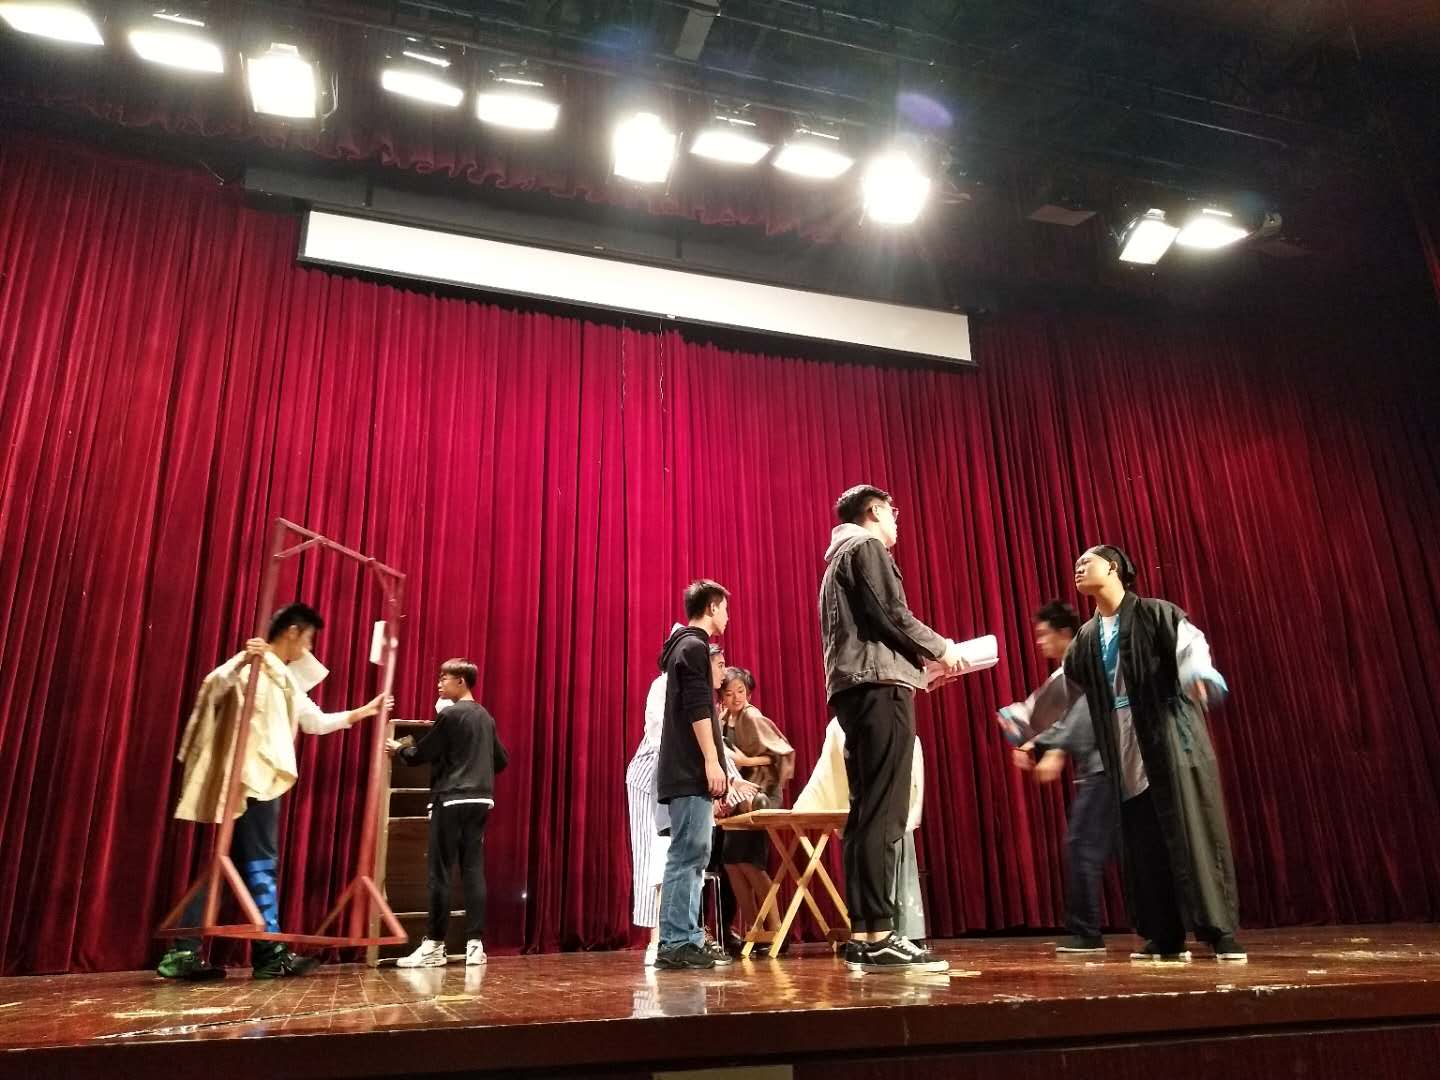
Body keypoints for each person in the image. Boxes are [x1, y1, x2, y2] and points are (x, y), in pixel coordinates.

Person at [158, 602, 389, 981]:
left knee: (231, 868)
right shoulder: (252, 665)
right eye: (308, 638)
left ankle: (184, 950)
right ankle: (270, 954)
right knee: (260, 865)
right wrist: (241, 662)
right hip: (252, 780)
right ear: (293, 632)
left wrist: (362, 712)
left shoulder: (283, 677)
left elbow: (313, 721)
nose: (308, 647)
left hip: (262, 781)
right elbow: (214, 688)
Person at [1066, 545, 1244, 963]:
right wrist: (1029, 723)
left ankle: (1219, 931)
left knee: (1193, 831)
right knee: (1143, 842)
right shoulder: (1087, 637)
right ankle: (1164, 935)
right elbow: (1066, 686)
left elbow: (1190, 646)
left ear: (1113, 567)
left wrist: (1198, 673)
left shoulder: (1156, 613)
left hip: (1169, 739)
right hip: (1123, 743)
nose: (1078, 568)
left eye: (1087, 561)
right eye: (1076, 564)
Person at [818, 484, 968, 973]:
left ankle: (866, 932)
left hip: (859, 689)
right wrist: (944, 649)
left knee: (866, 810)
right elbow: (891, 615)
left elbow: (871, 629)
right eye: (893, 512)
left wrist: (921, 672)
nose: (897, 521)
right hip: (879, 690)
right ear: (875, 510)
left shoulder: (836, 560)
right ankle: (881, 935)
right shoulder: (865, 546)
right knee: (885, 809)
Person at [1001, 600, 1116, 955]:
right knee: (1098, 847)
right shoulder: (1067, 673)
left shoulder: (1081, 666)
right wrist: (1037, 742)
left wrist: (1051, 747)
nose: (1039, 642)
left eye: (1044, 634)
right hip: (1101, 767)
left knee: (1082, 845)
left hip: (1105, 767)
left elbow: (1081, 713)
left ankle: (1087, 932)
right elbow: (1049, 717)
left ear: (1065, 632)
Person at [388, 659, 508, 968]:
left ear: (462, 682)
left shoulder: (450, 714)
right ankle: (475, 946)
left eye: (445, 678)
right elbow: (501, 760)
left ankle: (434, 945)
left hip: (451, 799)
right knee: (472, 870)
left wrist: (399, 750)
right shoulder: (485, 717)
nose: (439, 684)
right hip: (481, 800)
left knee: (439, 872)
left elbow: (422, 753)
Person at [654, 580, 731, 971]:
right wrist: (712, 761)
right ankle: (674, 941)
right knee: (686, 855)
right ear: (713, 607)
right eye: (725, 608)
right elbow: (698, 708)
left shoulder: (684, 647)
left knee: (694, 854)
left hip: (687, 770)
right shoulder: (693, 647)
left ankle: (687, 938)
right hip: (688, 770)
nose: (728, 617)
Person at [717, 666, 794, 951]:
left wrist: (746, 762)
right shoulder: (724, 719)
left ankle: (776, 931)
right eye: (729, 693)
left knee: (751, 862)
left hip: (760, 794)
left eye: (741, 691)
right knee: (731, 862)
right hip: (738, 797)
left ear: (748, 692)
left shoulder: (752, 716)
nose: (736, 698)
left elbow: (781, 753)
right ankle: (756, 930)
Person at [626, 624, 684, 967]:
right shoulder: (663, 685)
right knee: (656, 854)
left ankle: (679, 935)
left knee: (680, 855)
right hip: (653, 776)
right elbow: (661, 736)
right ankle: (657, 939)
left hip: (677, 777)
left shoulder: (692, 687)